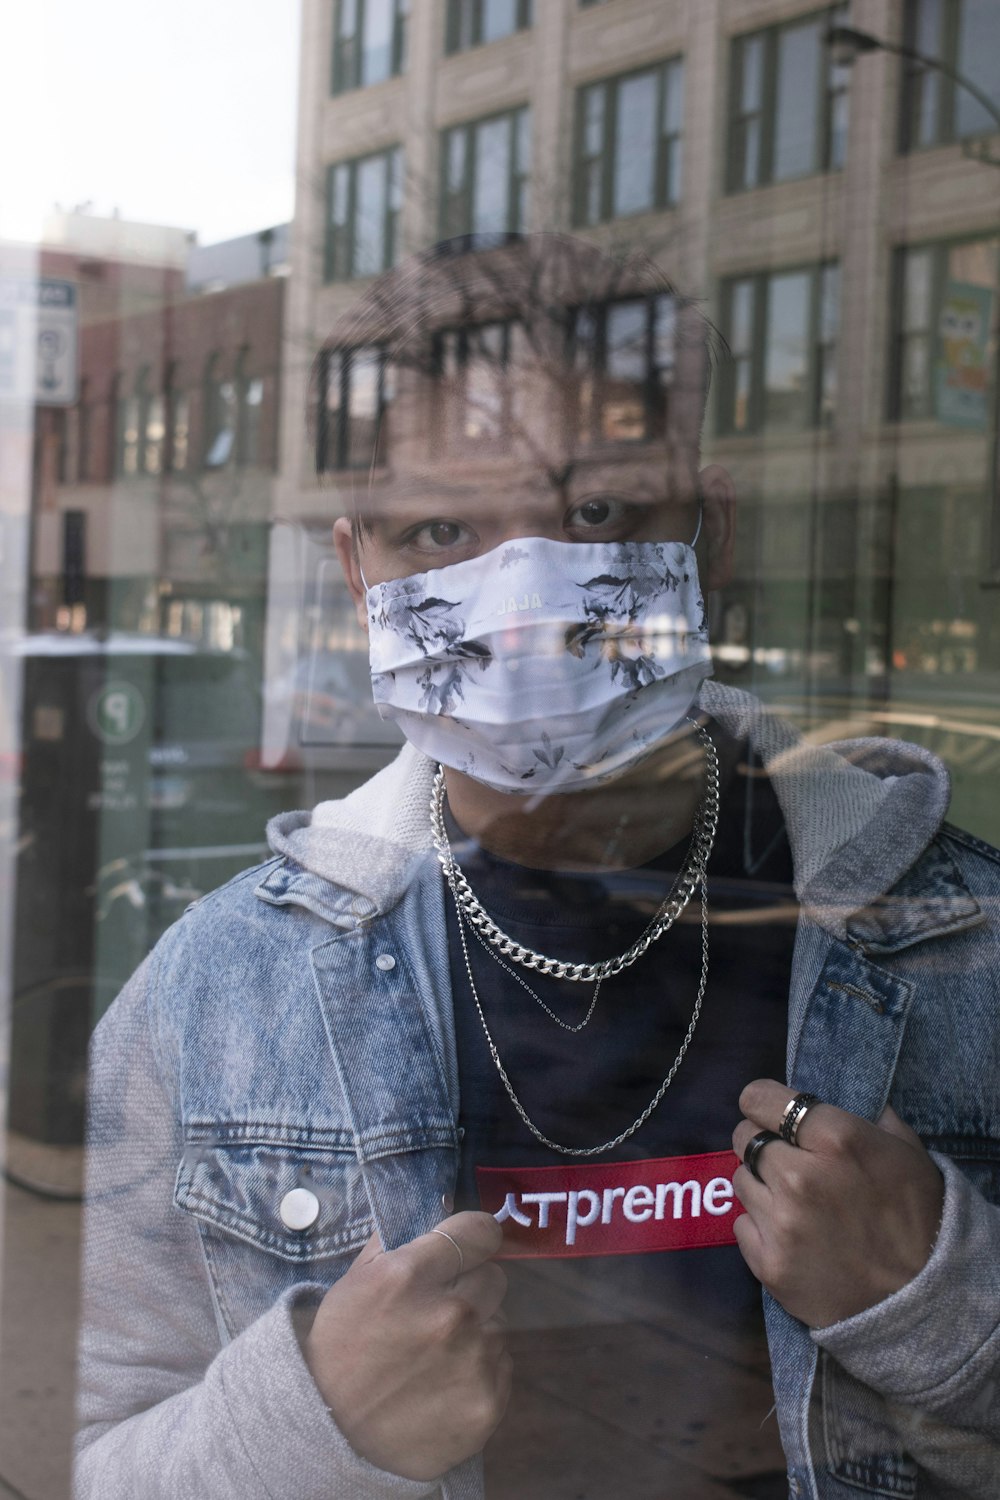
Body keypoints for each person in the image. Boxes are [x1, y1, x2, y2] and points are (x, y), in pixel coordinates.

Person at [75, 235, 1000, 1500]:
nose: (521, 595)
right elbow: (98, 1456)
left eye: (596, 514)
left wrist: (948, 1312)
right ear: (359, 572)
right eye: (440, 529)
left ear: (708, 537)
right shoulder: (225, 989)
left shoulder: (968, 950)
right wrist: (314, 1427)